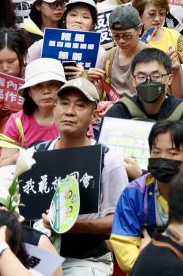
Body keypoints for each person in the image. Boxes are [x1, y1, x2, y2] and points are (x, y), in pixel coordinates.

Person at [34, 77, 129, 276]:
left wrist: (75, 226)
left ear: (94, 115)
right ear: (54, 108)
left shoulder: (107, 159)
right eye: (64, 103)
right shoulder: (37, 154)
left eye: (80, 105)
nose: (70, 111)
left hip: (86, 258)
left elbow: (120, 219)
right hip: (40, 254)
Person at [109, 120, 183, 272]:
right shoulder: (133, 193)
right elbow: (124, 245)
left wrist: (154, 255)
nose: (162, 158)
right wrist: (148, 265)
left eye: (172, 153)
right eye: (156, 152)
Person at [101, 48, 183, 129]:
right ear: (133, 81)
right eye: (141, 77)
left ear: (169, 79)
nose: (148, 82)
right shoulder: (119, 112)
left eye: (156, 76)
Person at [0, 58, 65, 162]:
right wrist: (18, 158)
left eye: (52, 84)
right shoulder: (17, 121)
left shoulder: (74, 117)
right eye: (38, 86)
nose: (46, 91)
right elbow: (3, 163)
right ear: (29, 92)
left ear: (61, 87)